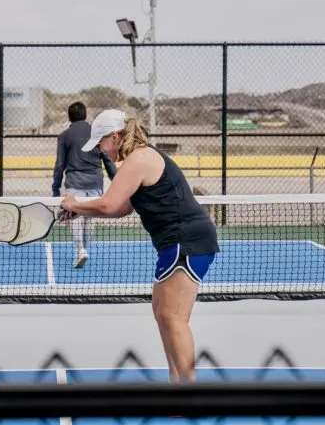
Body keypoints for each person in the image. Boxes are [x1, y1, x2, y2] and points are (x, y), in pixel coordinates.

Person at [59, 109, 219, 382]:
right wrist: (81, 210)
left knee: (173, 317)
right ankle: (175, 383)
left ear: (114, 137)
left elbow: (108, 204)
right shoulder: (139, 159)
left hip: (186, 241)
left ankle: (191, 394)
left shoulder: (139, 158)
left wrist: (75, 203)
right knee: (162, 313)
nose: (100, 151)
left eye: (100, 144)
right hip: (175, 243)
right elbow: (120, 209)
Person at [52, 102, 117, 268]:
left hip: (75, 183)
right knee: (89, 219)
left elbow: (60, 164)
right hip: (95, 183)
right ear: (85, 115)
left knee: (74, 218)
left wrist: (55, 188)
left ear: (69, 117)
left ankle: (80, 250)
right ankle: (84, 250)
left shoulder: (65, 136)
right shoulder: (97, 134)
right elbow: (108, 161)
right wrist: (116, 181)